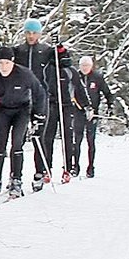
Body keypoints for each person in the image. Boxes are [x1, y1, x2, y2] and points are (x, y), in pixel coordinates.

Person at [0, 47, 46, 199]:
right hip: (3, 109)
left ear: (13, 62)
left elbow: (39, 93)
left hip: (21, 110)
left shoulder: (24, 74)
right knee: (0, 144)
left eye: (7, 63)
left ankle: (16, 179)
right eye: (1, 63)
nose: (3, 67)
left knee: (17, 144)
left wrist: (38, 115)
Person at [12, 19, 58, 190]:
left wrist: (59, 50)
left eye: (34, 33)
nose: (31, 36)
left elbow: (65, 62)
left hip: (41, 97)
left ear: (40, 34)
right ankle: (15, 176)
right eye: (28, 33)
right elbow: (1, 63)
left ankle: (40, 172)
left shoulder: (46, 50)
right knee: (18, 138)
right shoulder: (18, 50)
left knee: (40, 137)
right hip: (20, 97)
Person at [72, 54, 117, 175]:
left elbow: (107, 93)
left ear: (91, 66)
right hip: (78, 111)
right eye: (82, 65)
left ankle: (91, 167)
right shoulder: (75, 77)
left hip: (93, 113)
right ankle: (75, 166)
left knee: (90, 140)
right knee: (77, 139)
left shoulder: (97, 77)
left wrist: (110, 105)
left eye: (87, 65)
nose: (84, 68)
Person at [55, 44, 90, 182]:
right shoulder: (50, 69)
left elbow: (80, 89)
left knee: (68, 138)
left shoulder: (71, 71)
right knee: (48, 137)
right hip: (51, 104)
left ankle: (68, 168)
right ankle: (45, 169)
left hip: (68, 105)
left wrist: (87, 105)